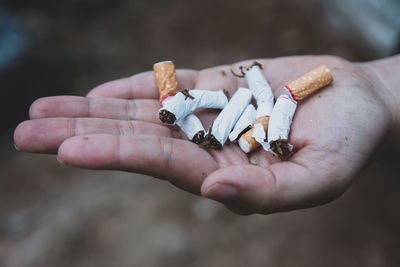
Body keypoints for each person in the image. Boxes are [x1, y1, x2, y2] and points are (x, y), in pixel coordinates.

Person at [13, 54, 400, 215]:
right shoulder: (208, 104)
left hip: (254, 112)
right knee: (268, 103)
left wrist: (379, 87)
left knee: (273, 102)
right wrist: (380, 84)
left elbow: (279, 98)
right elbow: (276, 98)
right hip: (245, 110)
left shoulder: (259, 103)